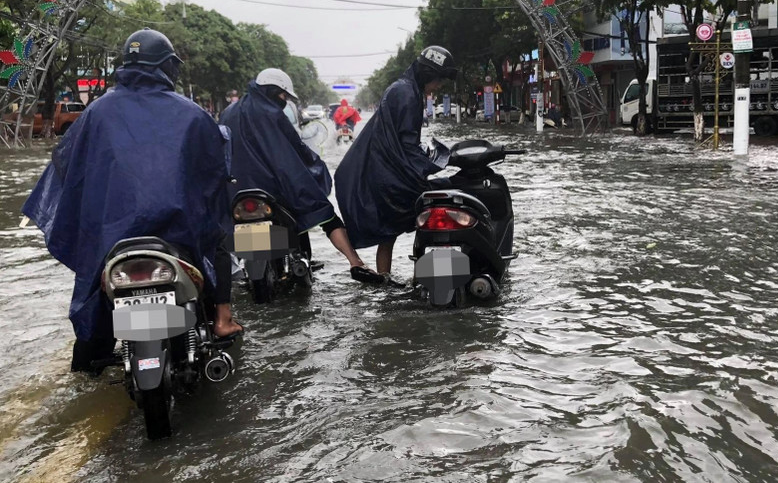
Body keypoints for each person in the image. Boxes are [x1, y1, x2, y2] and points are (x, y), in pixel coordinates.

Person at [21, 28, 241, 373]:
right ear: (168, 67)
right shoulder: (193, 113)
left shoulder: (96, 112)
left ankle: (90, 364)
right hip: (179, 233)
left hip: (113, 237)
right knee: (217, 243)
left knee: (93, 296)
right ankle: (224, 320)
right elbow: (215, 172)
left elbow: (66, 161)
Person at [219, 68, 376, 279]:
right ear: (274, 91)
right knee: (322, 210)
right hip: (272, 188)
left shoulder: (228, 112)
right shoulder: (272, 113)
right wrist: (315, 166)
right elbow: (294, 150)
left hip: (233, 191)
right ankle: (355, 262)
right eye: (283, 96)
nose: (283, 100)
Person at [334, 46, 457, 285]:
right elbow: (407, 143)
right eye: (438, 80)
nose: (438, 86)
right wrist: (433, 164)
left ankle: (385, 280)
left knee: (388, 233)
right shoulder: (407, 94)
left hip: (385, 171)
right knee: (427, 213)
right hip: (392, 174)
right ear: (427, 75)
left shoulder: (403, 88)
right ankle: (420, 278)